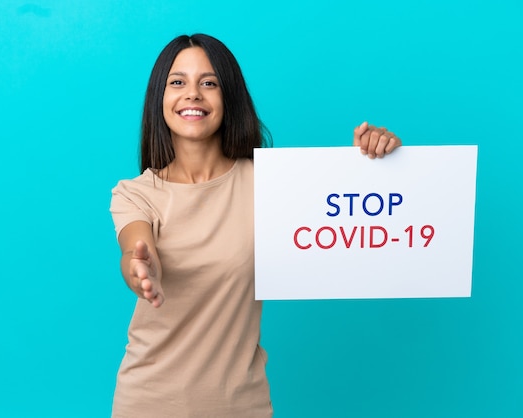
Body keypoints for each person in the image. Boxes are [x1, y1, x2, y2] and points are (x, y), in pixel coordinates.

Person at [109, 33, 401, 418]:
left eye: (208, 82)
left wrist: (374, 160)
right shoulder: (135, 193)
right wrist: (141, 268)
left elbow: (343, 215)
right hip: (147, 403)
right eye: (177, 82)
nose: (193, 93)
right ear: (158, 99)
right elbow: (135, 249)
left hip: (242, 405)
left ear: (229, 97)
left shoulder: (272, 184)